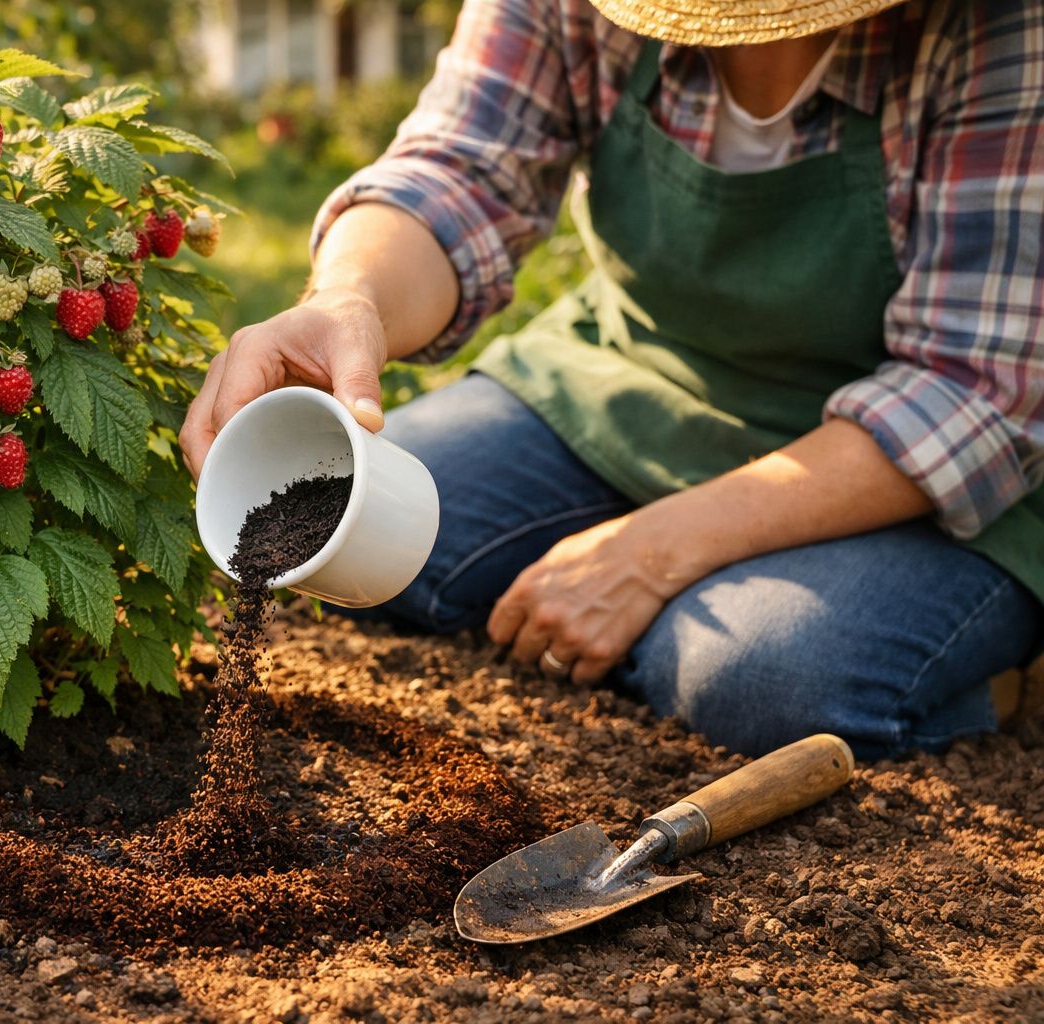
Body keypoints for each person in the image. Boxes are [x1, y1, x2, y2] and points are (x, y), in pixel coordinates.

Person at [180, 0, 1044, 758]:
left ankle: (971, 675)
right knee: (379, 540)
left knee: (748, 682)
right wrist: (350, 298)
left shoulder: (997, 29)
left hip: (916, 464)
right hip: (637, 378)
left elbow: (974, 385)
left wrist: (654, 549)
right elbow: (460, 171)